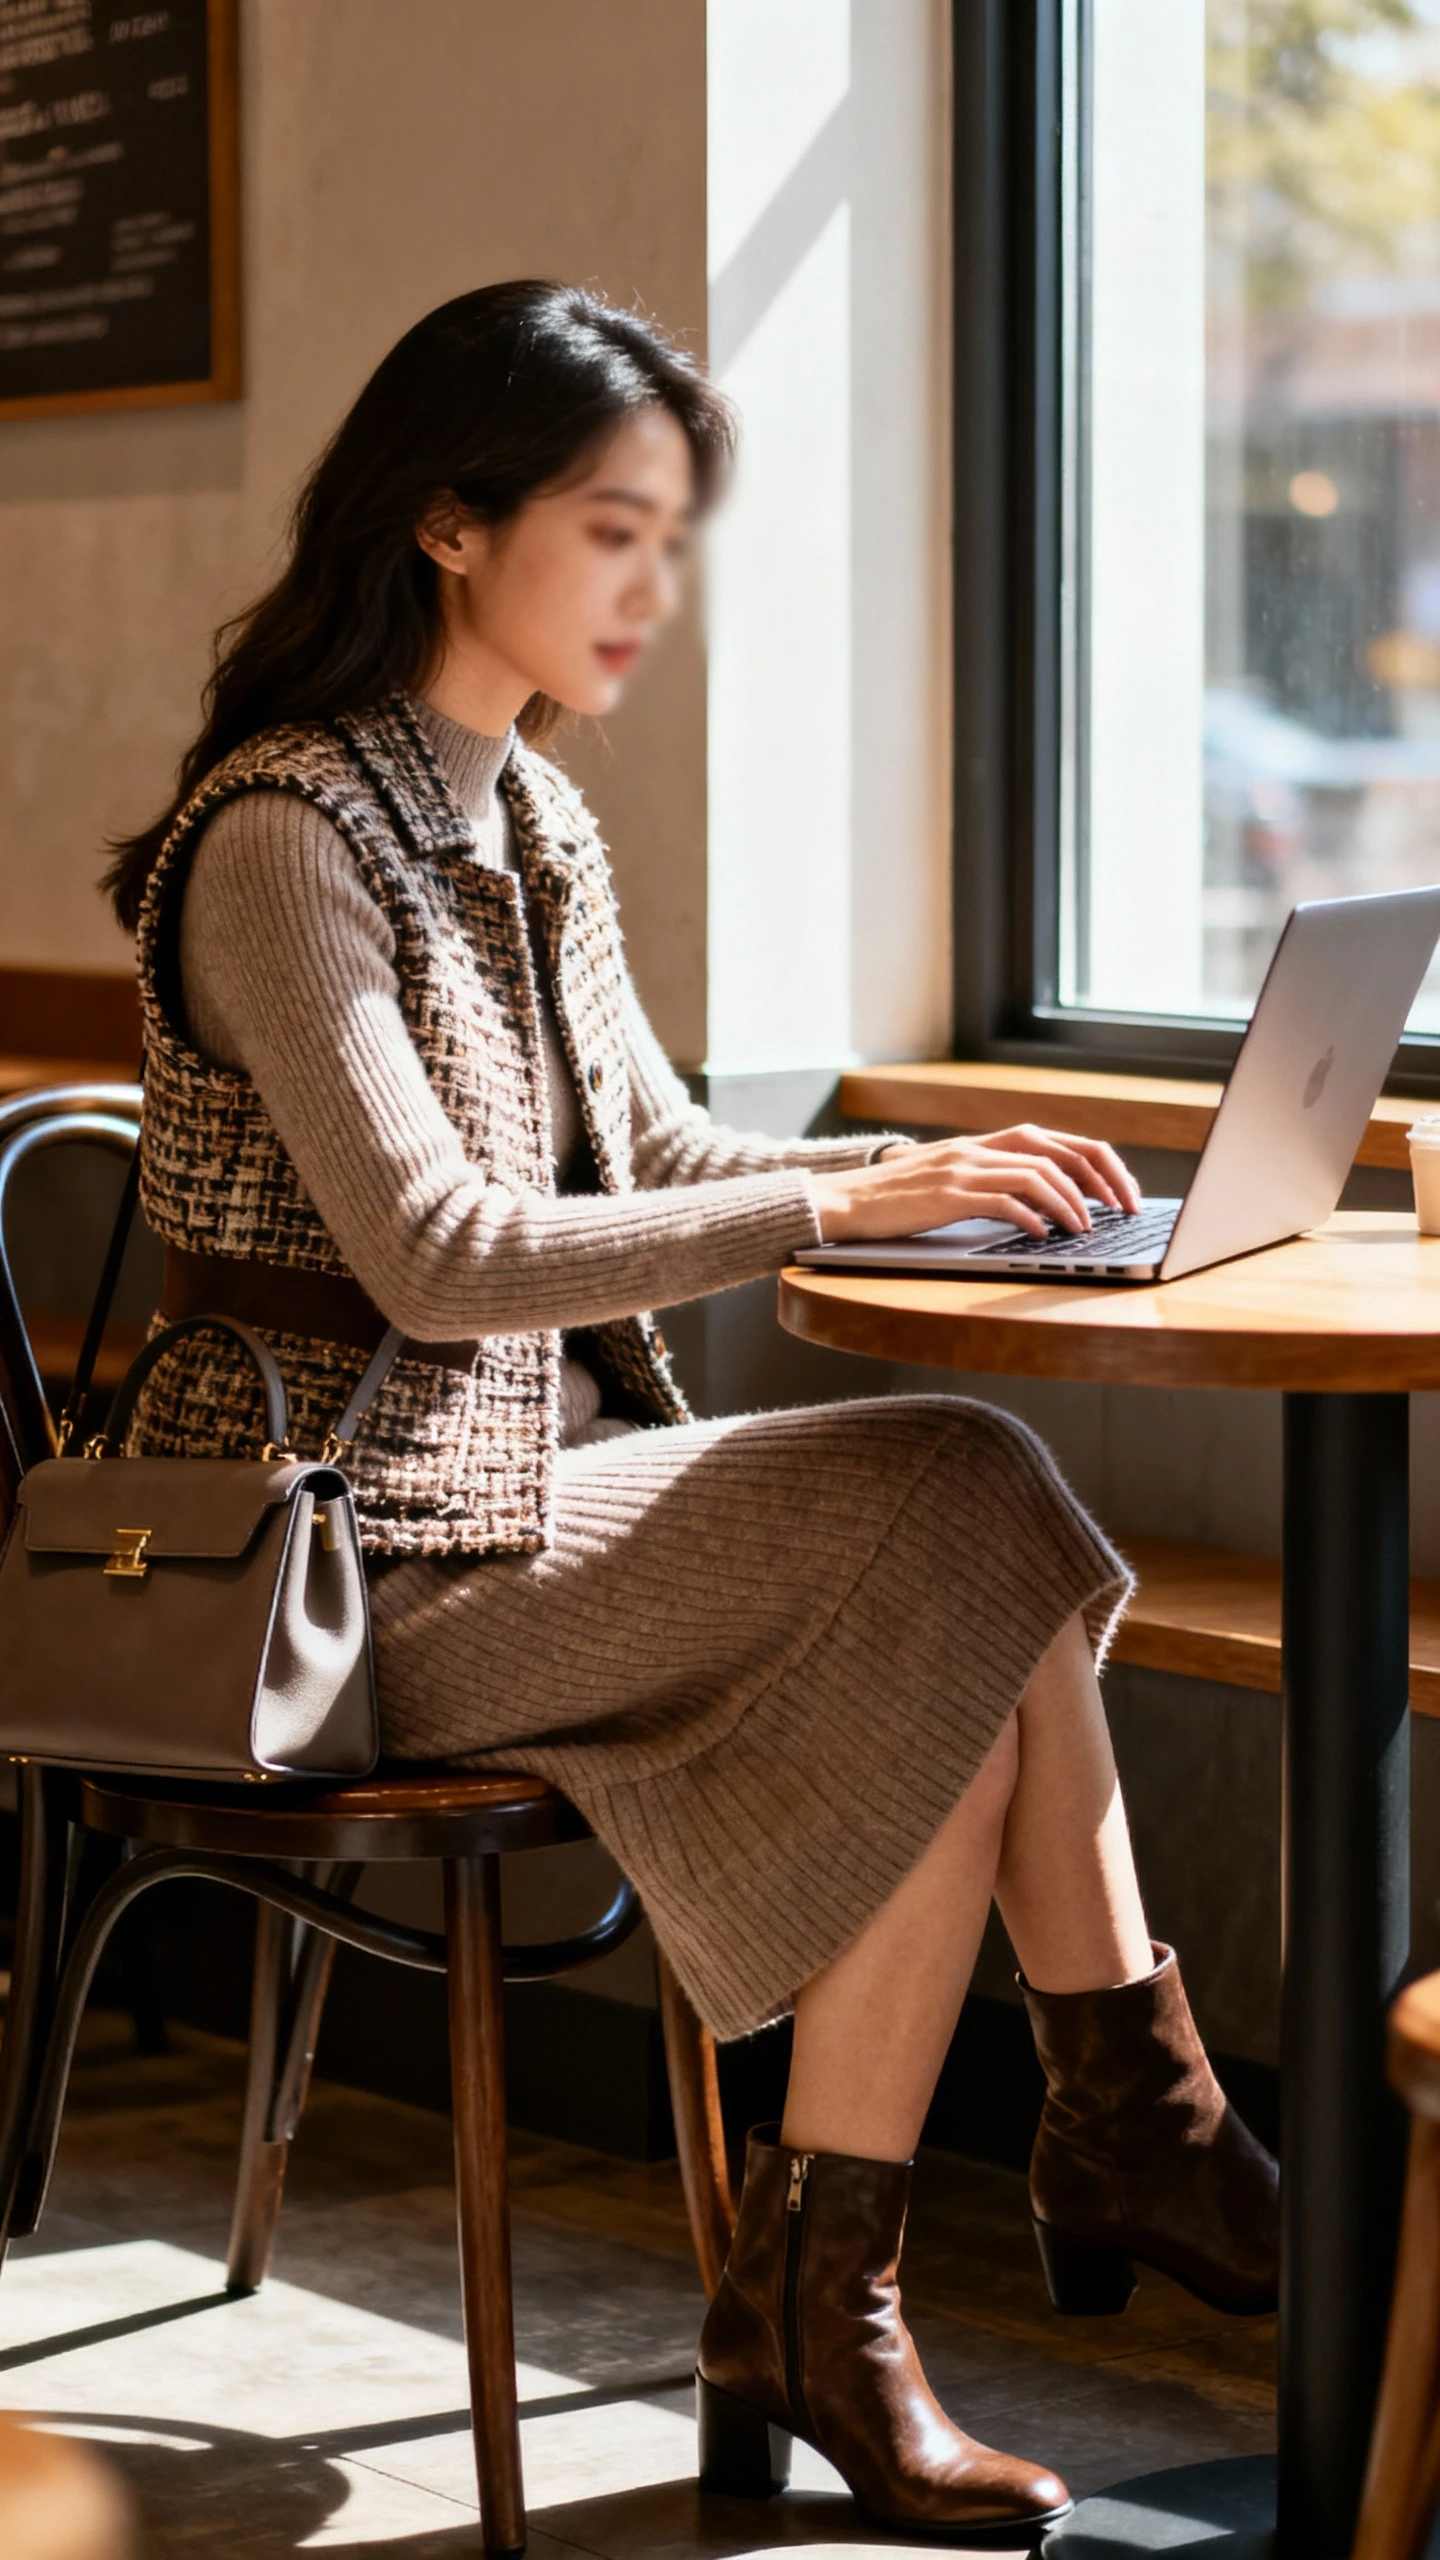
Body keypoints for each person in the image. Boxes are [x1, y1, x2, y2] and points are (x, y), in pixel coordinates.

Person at [104, 281, 1277, 2544]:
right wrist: (845, 1188)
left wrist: (927, 1189)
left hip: (509, 1492)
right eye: (612, 531)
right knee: (960, 1509)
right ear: (450, 525)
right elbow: (443, 1248)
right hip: (333, 1565)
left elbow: (645, 1153)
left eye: (676, 538)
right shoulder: (281, 843)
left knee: (955, 1562)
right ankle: (1105, 2122)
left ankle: (851, 2287)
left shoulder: (530, 811)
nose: (657, 588)